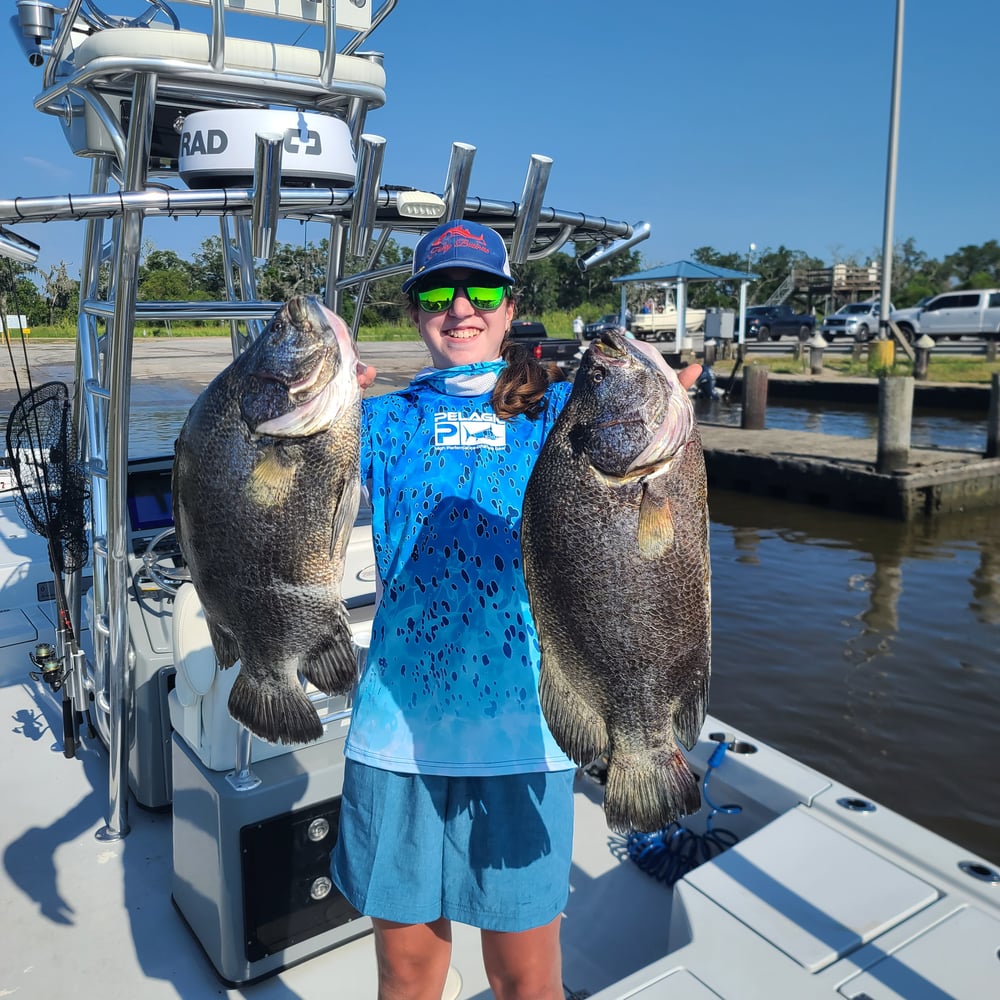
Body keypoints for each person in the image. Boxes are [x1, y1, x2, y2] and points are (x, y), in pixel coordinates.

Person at [332, 219, 700, 1000]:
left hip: (526, 734)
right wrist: (325, 384)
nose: (459, 307)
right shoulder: (380, 421)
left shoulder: (565, 413)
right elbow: (283, 473)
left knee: (525, 978)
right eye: (437, 291)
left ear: (508, 306)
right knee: (405, 970)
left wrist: (658, 388)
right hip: (398, 732)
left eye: (481, 290)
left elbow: (650, 455)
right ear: (414, 311)